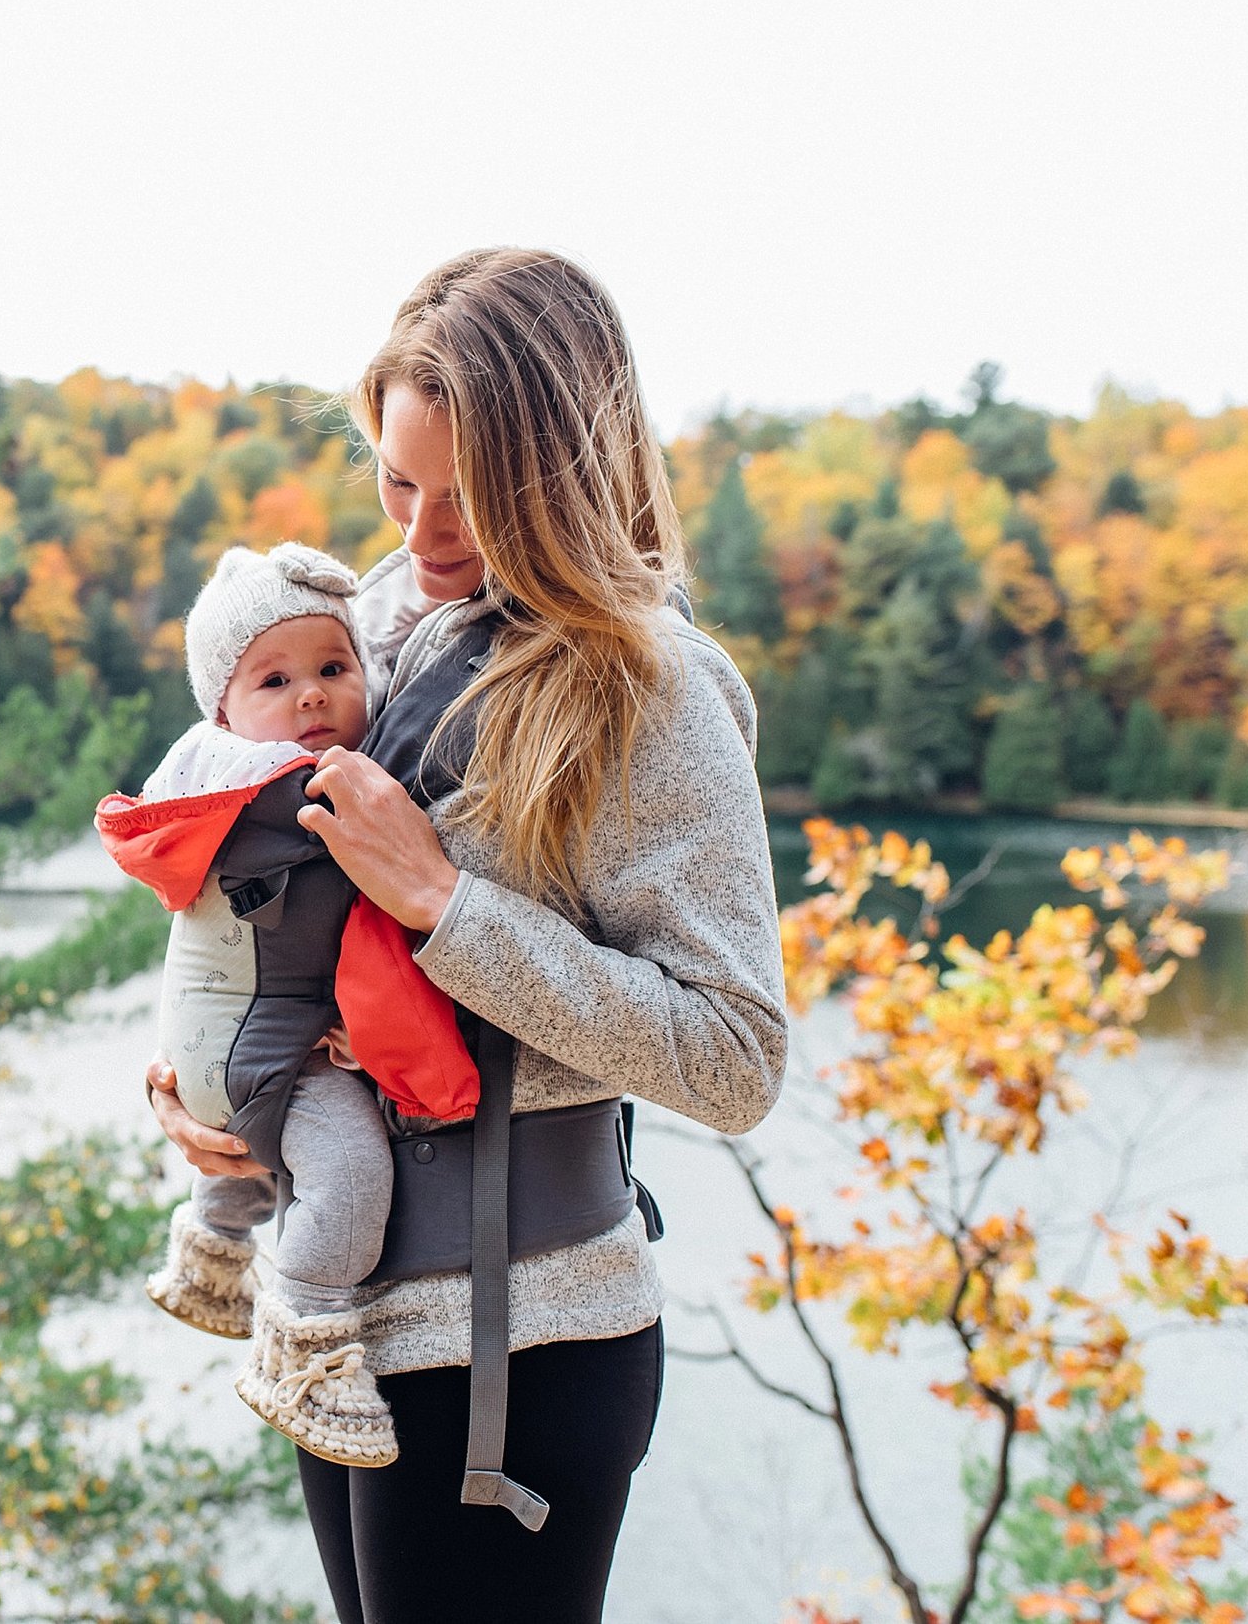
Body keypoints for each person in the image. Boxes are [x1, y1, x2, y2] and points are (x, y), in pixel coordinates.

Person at [144, 248, 789, 1622]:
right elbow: (240, 902)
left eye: (473, 494)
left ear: (565, 471)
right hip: (337, 1323)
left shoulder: (652, 690)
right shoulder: (349, 635)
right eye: (397, 479)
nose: (424, 535)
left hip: (529, 1340)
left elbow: (736, 1059)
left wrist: (446, 905)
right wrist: (201, 1086)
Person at [96, 542, 478, 1469]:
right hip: (257, 1052)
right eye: (276, 678)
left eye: (334, 669)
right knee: (348, 1171)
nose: (311, 695)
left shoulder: (225, 775)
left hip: (225, 1044)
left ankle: (214, 1248)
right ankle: (305, 1333)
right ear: (222, 708)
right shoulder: (262, 787)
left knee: (263, 1138)